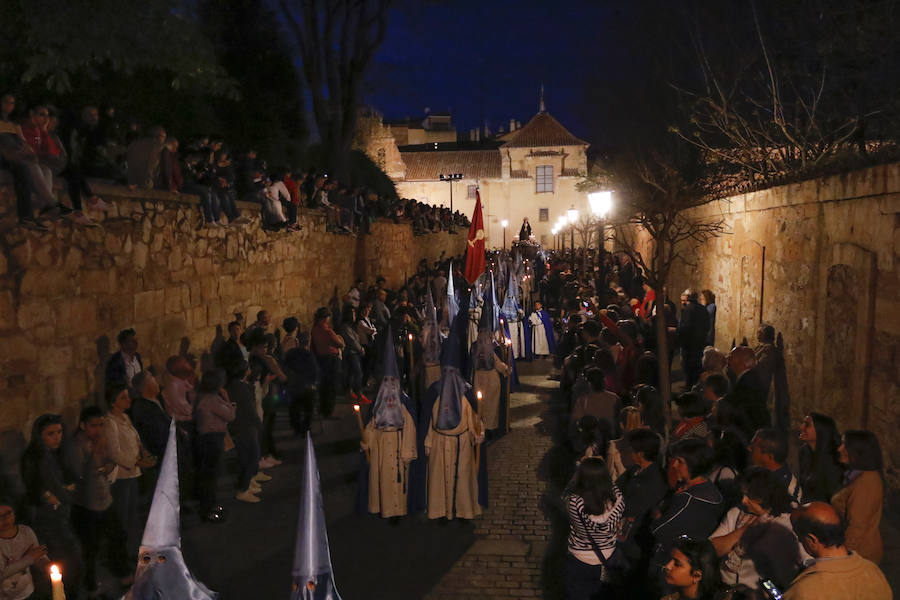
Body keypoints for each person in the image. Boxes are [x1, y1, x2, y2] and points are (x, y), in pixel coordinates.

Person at [423, 313, 485, 520]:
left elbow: (475, 421)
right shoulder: (434, 393)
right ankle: (440, 512)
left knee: (463, 480)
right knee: (439, 481)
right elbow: (429, 422)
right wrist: (429, 442)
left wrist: (478, 433)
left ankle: (463, 511)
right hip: (440, 443)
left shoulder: (466, 394)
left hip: (462, 445)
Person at [709, 467, 808, 591]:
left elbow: (805, 563)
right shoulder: (736, 512)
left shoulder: (786, 524)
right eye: (743, 494)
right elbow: (709, 551)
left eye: (749, 495)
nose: (744, 500)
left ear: (764, 496)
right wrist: (742, 531)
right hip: (724, 588)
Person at [66, 406, 129, 593]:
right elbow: (80, 475)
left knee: (118, 536)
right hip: (87, 505)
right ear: (83, 425)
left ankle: (122, 572)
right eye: (94, 425)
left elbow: (110, 462)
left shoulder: (100, 439)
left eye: (101, 424)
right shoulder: (76, 446)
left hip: (105, 499)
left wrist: (103, 466)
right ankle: (91, 585)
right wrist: (96, 457)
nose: (98, 429)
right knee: (90, 547)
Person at [20, 414, 83, 598]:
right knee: (61, 560)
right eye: (51, 433)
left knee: (73, 559)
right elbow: (36, 487)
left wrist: (68, 489)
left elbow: (71, 478)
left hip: (62, 515)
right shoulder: (34, 457)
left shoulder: (59, 453)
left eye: (59, 432)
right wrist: (50, 495)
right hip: (47, 521)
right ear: (40, 435)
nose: (57, 437)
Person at [361, 329, 417, 518]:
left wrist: (408, 450)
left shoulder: (404, 405)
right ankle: (384, 510)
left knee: (399, 481)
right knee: (383, 480)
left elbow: (409, 426)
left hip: (399, 444)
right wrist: (367, 440)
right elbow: (371, 426)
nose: (390, 386)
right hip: (381, 448)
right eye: (387, 381)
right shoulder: (377, 407)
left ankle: (399, 511)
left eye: (393, 381)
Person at [784, 502, 891, 600]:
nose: (799, 540)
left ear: (812, 540)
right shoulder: (873, 571)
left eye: (799, 536)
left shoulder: (804, 592)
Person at [563, 457, 625, 600]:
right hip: (608, 555)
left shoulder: (575, 502)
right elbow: (612, 487)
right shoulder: (617, 498)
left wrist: (578, 470)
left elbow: (565, 495)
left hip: (580, 557)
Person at [105, 385, 155, 559]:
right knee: (124, 516)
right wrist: (135, 462)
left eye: (127, 397)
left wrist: (143, 452)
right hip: (122, 476)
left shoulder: (125, 417)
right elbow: (114, 452)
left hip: (133, 473)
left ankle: (137, 549)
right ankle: (124, 553)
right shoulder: (110, 422)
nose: (128, 400)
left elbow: (135, 439)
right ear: (113, 403)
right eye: (123, 398)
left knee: (133, 514)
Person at [651, 438, 725, 556]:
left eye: (680, 461)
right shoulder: (709, 490)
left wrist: (659, 511)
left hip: (673, 559)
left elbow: (658, 529)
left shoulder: (690, 500)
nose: (674, 465)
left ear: (693, 464)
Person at [831, 430, 883, 563]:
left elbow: (856, 527)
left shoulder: (867, 482)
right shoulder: (855, 475)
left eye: (845, 445)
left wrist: (841, 557)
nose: (840, 448)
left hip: (860, 555)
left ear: (859, 451)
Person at [193, 370, 235, 522]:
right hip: (211, 440)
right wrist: (229, 401)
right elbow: (230, 416)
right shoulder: (211, 400)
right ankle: (207, 509)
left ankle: (211, 504)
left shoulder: (202, 397)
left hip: (207, 439)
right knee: (210, 476)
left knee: (210, 475)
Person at [225, 359, 266, 504]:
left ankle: (246, 483)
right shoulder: (240, 388)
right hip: (245, 427)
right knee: (251, 455)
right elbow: (249, 410)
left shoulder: (235, 386)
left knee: (246, 456)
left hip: (241, 426)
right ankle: (243, 489)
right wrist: (259, 425)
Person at [0, 498, 48, 600]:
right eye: (0, 516)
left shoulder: (26, 531)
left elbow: (38, 556)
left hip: (27, 592)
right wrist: (29, 559)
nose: (5, 518)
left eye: (8, 513)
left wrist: (45, 565)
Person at [797, 413, 843, 503]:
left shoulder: (833, 459)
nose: (801, 427)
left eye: (807, 425)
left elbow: (834, 498)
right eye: (803, 423)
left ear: (821, 431)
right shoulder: (804, 452)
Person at [747, 429, 802, 503]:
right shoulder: (754, 475)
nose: (748, 448)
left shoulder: (788, 490)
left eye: (752, 447)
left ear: (769, 456)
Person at [310, 307, 345, 419]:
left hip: (320, 359)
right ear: (325, 318)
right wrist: (340, 341)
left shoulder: (314, 330)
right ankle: (329, 411)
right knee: (332, 386)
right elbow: (340, 344)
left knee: (324, 386)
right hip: (332, 361)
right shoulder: (328, 331)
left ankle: (322, 409)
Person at [283, 332, 320, 435]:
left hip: (293, 386)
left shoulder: (290, 354)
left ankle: (296, 427)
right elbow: (314, 371)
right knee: (308, 409)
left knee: (295, 408)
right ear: (308, 342)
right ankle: (306, 429)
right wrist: (315, 383)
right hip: (306, 387)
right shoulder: (309, 355)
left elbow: (285, 367)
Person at [677, 289, 710, 388]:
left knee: (688, 368)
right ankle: (697, 386)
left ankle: (689, 388)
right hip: (700, 343)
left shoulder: (687, 310)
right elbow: (707, 326)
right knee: (698, 366)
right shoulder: (703, 309)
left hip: (689, 344)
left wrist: (681, 340)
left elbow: (684, 328)